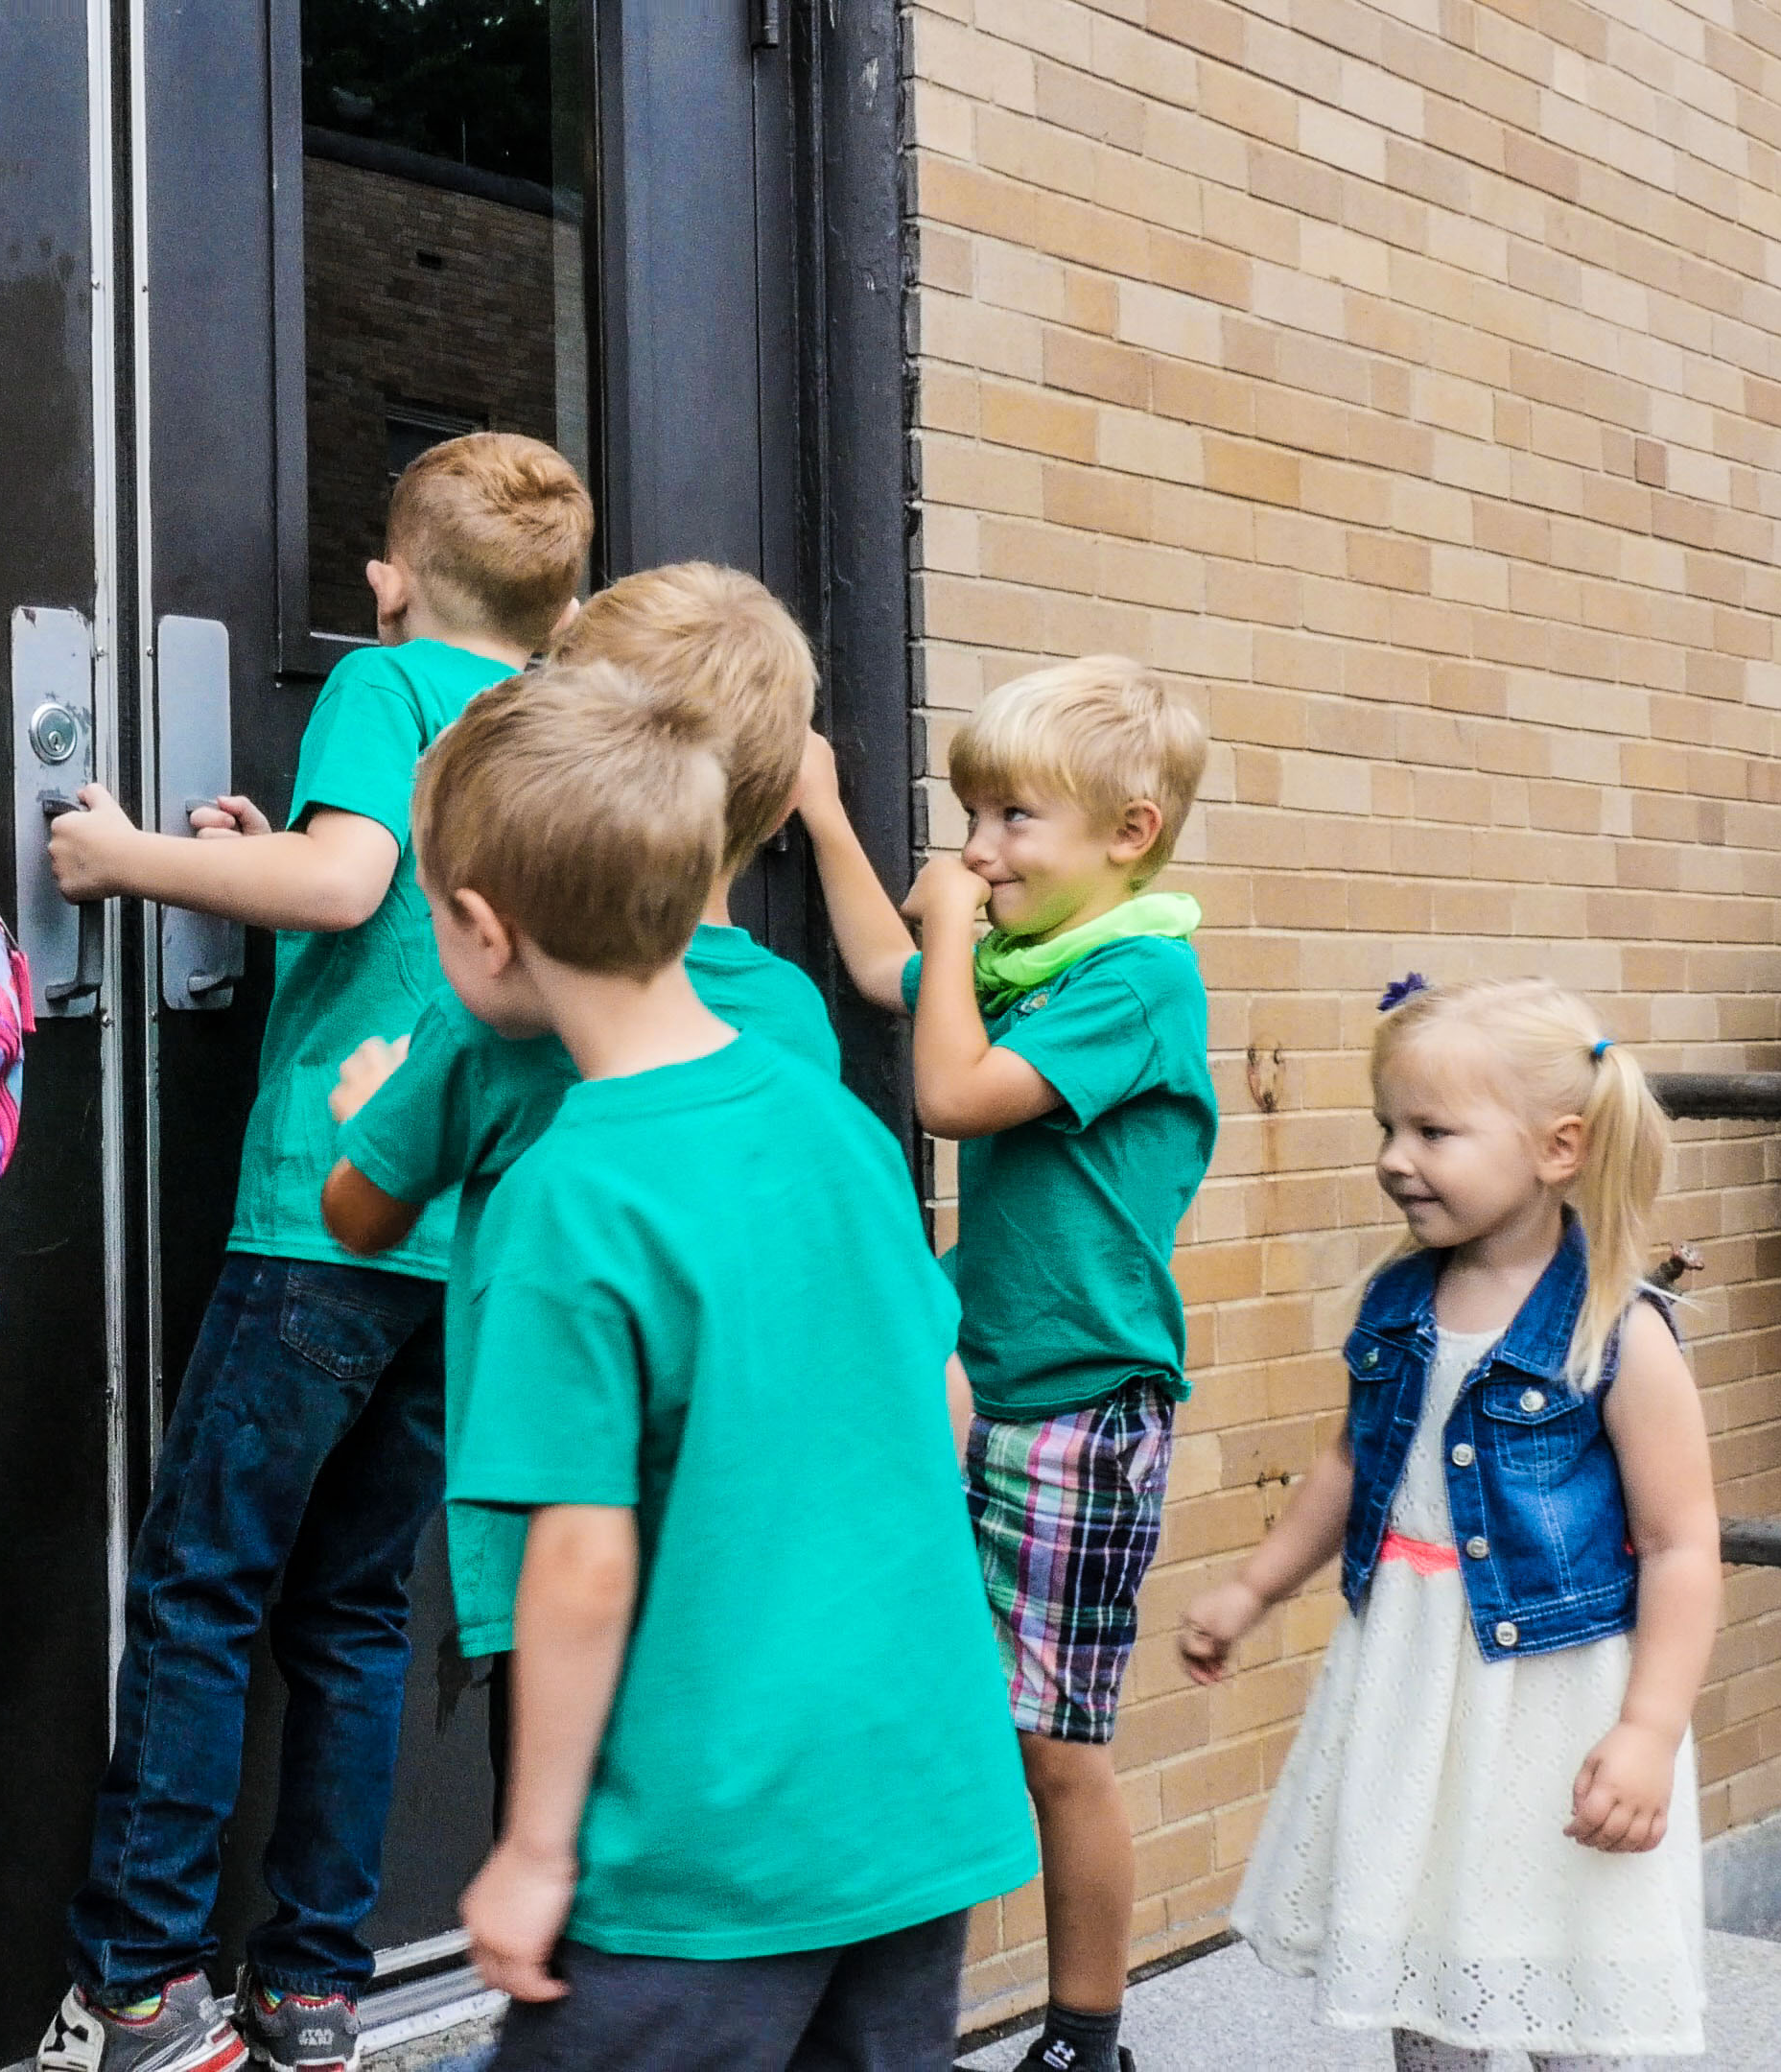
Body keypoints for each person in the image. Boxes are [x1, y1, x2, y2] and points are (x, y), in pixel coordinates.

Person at [35, 432, 593, 2072]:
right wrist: (256, 848)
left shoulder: (387, 682)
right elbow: (397, 897)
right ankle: (312, 1992)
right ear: (559, 612)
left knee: (202, 1588)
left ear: (389, 581)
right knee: (351, 1614)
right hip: (466, 1244)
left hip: (330, 1222)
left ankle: (141, 1990)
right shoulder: (559, 727)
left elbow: (348, 884)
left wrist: (128, 858)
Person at [424, 662, 1037, 2071]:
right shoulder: (838, 1125)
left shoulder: (566, 1197)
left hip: (707, 1848)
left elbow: (581, 1558)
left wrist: (533, 1848)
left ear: (484, 931)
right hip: (911, 1796)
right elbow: (946, 1402)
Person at [318, 565, 840, 1769]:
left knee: (562, 1817)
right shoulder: (794, 1019)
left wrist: (366, 1116)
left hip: (559, 1538)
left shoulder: (499, 1019)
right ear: (773, 809)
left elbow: (362, 1215)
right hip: (742, 1533)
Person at [794, 658, 1213, 2072]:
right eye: (972, 816)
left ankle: (1087, 2041)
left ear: (1129, 833)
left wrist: (951, 928)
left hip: (1083, 1414)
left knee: (1057, 1744)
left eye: (1014, 819)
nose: (977, 850)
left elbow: (950, 1090)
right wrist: (825, 812)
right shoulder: (1028, 972)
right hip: (982, 1393)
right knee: (939, 1706)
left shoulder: (1138, 980)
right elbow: (885, 974)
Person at [1182, 977, 1719, 2068]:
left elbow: (1680, 1545)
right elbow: (1353, 1460)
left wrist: (1650, 1730)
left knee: (1562, 1950)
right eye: (1388, 1127)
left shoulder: (1616, 1333)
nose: (1395, 1158)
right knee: (1421, 1937)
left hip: (1552, 1696)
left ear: (1558, 1148)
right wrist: (1254, 1586)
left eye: (1433, 1132)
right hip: (1411, 1675)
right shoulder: (1398, 1303)